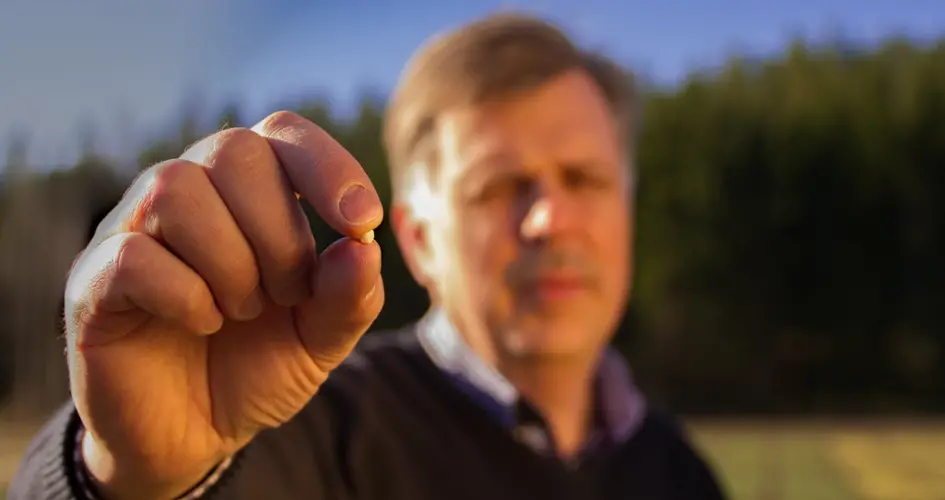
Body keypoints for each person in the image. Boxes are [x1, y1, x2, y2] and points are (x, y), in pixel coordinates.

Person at [11, 13, 727, 500]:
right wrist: (129, 477)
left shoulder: (678, 470)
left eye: (585, 180)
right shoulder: (298, 428)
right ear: (417, 241)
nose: (548, 219)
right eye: (498, 187)